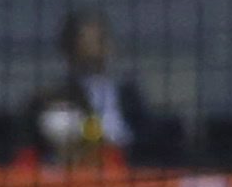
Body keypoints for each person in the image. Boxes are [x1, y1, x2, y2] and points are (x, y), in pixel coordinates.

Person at [30, 10, 154, 162]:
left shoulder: (128, 94)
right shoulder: (56, 96)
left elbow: (146, 137)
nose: (98, 48)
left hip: (126, 168)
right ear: (70, 48)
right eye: (89, 41)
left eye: (101, 39)